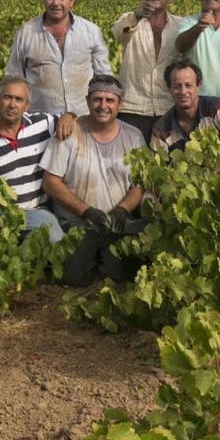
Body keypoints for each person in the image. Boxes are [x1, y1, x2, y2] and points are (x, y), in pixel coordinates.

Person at [41, 76, 147, 287]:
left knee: (123, 275)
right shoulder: (69, 131)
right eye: (97, 99)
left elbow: (139, 185)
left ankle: (104, 260)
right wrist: (86, 211)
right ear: (88, 100)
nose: (103, 106)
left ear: (120, 104)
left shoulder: (133, 136)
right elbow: (50, 181)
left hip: (117, 225)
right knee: (71, 278)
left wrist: (122, 210)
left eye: (110, 100)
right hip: (77, 223)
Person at [0, 76, 68, 244]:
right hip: (1, 215)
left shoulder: (43, 124)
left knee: (55, 239)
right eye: (7, 97)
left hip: (36, 210)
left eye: (19, 99)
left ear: (27, 105)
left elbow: (67, 119)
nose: (12, 104)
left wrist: (69, 115)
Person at [5, 0, 111, 118]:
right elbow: (13, 77)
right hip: (39, 123)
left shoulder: (91, 31)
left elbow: (104, 77)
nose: (55, 3)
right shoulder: (26, 33)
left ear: (72, 1)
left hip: (84, 120)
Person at [111, 0, 181, 142]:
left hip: (168, 106)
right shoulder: (129, 19)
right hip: (132, 106)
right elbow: (117, 34)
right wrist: (137, 15)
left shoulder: (180, 24)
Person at [150, 58, 220, 151]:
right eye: (177, 86)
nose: (183, 91)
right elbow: (158, 166)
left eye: (188, 85)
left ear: (198, 86)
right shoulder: (160, 130)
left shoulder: (216, 108)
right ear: (169, 89)